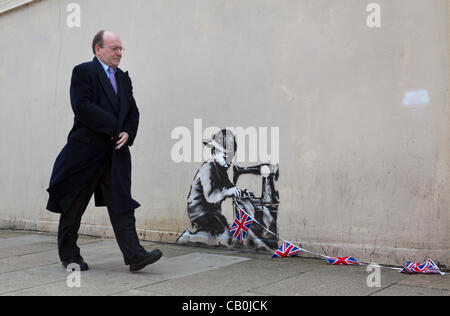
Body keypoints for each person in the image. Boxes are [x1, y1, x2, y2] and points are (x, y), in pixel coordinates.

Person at [46, 30, 162, 272]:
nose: (119, 53)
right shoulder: (83, 72)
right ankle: (70, 255)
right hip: (85, 154)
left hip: (115, 155)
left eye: (121, 49)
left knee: (122, 204)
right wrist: (115, 127)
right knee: (74, 206)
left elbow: (133, 111)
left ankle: (135, 255)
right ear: (98, 49)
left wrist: (127, 132)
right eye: (114, 48)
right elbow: (82, 107)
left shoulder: (123, 78)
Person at [177, 129, 242, 246]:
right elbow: (211, 197)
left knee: (228, 234)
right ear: (213, 153)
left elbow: (229, 187)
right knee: (223, 237)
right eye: (225, 157)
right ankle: (189, 237)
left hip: (213, 213)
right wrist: (228, 191)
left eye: (231, 158)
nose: (229, 162)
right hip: (200, 212)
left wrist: (239, 191)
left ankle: (205, 236)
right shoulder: (208, 168)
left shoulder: (222, 171)